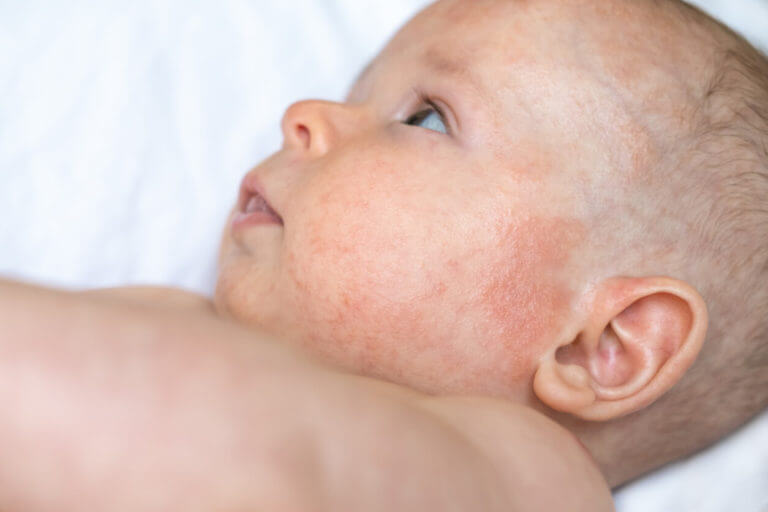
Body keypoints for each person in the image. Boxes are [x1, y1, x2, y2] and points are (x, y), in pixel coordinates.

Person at [1, 0, 766, 509]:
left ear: (602, 348)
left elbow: (285, 465)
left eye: (425, 117)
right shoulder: (174, 318)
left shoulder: (533, 478)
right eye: (356, 92)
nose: (302, 116)